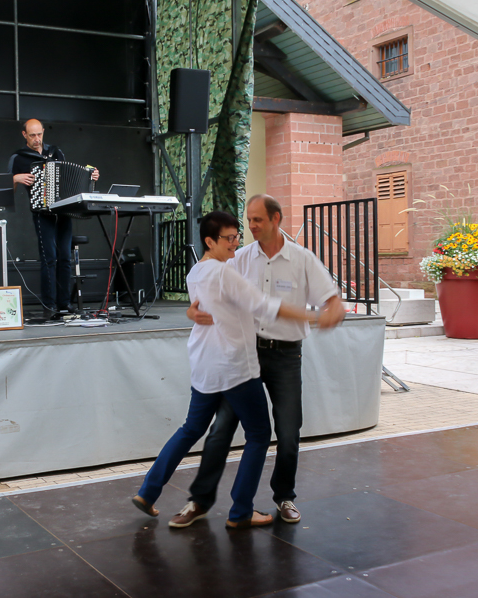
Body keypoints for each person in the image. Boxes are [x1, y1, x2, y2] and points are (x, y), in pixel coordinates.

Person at [131, 211, 337, 529]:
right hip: (234, 366)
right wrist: (317, 317)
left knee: (191, 429)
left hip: (206, 366)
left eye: (236, 237)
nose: (235, 242)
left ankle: (148, 492)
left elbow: (209, 309)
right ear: (209, 241)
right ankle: (240, 512)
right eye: (229, 238)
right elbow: (266, 306)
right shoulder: (226, 273)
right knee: (259, 434)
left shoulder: (196, 272)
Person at [10, 119, 99, 318]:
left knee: (65, 258)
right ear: (24, 135)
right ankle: (49, 306)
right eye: (32, 135)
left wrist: (91, 177)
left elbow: (70, 178)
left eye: (39, 134)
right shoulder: (19, 158)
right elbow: (5, 190)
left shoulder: (55, 152)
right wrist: (15, 179)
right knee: (49, 258)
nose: (37, 139)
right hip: (42, 212)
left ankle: (64, 304)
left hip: (63, 211)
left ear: (43, 132)